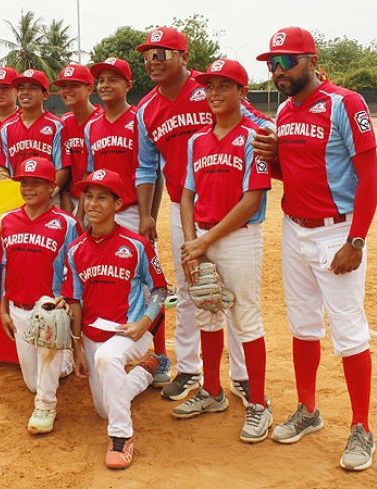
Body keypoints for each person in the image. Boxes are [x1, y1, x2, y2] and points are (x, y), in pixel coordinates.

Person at [256, 26, 377, 471]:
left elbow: (369, 175)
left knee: (349, 331)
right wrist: (272, 160)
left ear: (311, 59)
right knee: (303, 324)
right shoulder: (285, 112)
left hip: (337, 231)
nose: (277, 71)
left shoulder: (345, 104)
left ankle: (362, 428)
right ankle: (308, 410)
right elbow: (298, 174)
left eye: (286, 61)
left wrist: (357, 240)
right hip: (295, 228)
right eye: (272, 64)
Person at [135, 26, 274, 403]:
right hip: (187, 213)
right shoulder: (146, 108)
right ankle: (193, 371)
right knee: (192, 294)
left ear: (183, 57)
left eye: (162, 53)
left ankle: (243, 377)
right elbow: (148, 167)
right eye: (148, 55)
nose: (153, 61)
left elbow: (258, 122)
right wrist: (148, 213)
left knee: (235, 300)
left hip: (232, 212)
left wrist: (272, 140)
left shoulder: (212, 87)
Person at [176, 59, 274, 443]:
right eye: (209, 86)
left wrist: (205, 240)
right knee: (207, 312)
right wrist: (191, 244)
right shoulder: (196, 141)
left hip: (238, 238)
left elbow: (253, 199)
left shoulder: (256, 136)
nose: (214, 93)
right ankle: (212, 391)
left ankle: (260, 405)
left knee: (246, 318)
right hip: (200, 237)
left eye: (224, 86)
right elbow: (186, 194)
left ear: (241, 92)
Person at [62, 169, 167, 469]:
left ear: (118, 204)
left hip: (130, 330)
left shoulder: (136, 244)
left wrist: (143, 324)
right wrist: (77, 347)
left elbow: (161, 290)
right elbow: (74, 301)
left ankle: (122, 437)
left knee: (108, 359)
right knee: (105, 407)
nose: (93, 204)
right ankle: (147, 370)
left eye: (102, 198)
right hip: (94, 334)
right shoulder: (76, 250)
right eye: (89, 197)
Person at [85, 56, 170, 386]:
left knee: (149, 285)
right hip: (102, 211)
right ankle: (115, 346)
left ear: (128, 85)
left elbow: (155, 172)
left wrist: (149, 215)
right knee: (110, 280)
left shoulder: (140, 120)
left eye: (113, 79)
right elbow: (93, 177)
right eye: (101, 80)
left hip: (135, 210)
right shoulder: (93, 125)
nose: (105, 85)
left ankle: (158, 354)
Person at [0, 157, 79, 434]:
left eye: (36, 183)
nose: (28, 188)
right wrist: (3, 308)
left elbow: (74, 267)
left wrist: (66, 300)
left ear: (52, 187)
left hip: (48, 308)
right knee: (33, 381)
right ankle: (63, 358)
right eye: (24, 183)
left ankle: (46, 405)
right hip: (19, 308)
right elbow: (5, 266)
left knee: (42, 384)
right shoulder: (7, 220)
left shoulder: (66, 223)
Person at [0, 69, 68, 195]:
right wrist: (13, 192)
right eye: (21, 88)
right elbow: (2, 167)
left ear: (45, 95)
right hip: (16, 195)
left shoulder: (56, 125)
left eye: (32, 88)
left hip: (48, 197)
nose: (25, 92)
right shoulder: (7, 127)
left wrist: (49, 193)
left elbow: (63, 167)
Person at [53, 64, 102, 215]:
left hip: (98, 199)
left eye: (74, 85)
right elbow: (65, 168)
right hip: (71, 199)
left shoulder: (101, 120)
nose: (67, 90)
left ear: (89, 89)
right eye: (63, 86)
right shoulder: (64, 123)